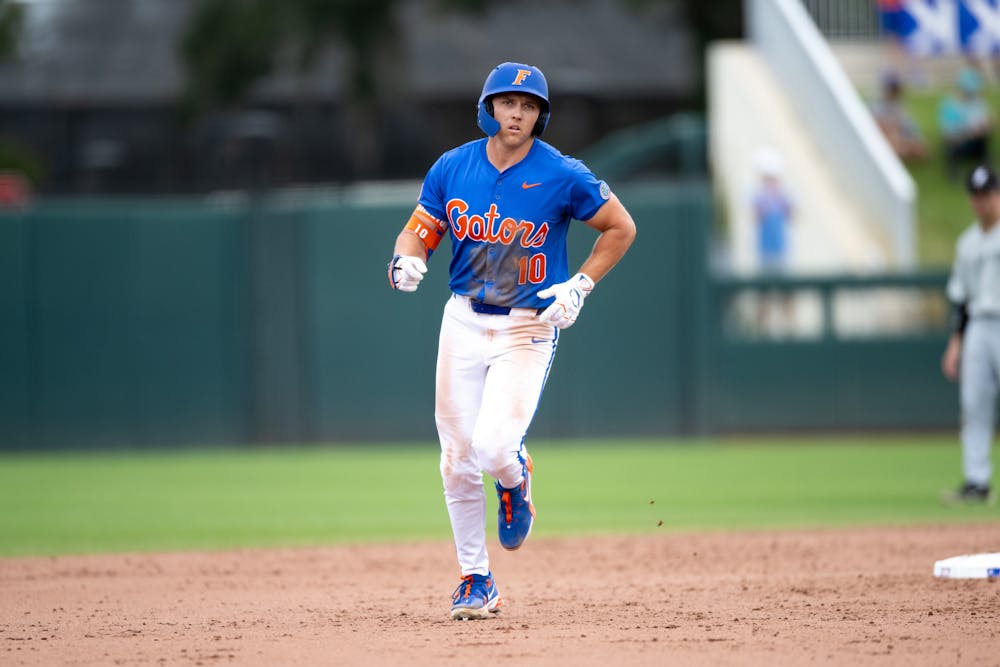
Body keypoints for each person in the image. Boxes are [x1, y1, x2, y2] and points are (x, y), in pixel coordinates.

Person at [387, 62, 636, 620]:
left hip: (527, 324)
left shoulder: (562, 173)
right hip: (463, 319)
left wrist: (581, 284)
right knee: (456, 457)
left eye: (528, 105)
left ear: (540, 114)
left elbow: (621, 227)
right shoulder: (454, 166)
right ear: (490, 107)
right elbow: (422, 227)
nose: (517, 113)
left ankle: (514, 478)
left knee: (494, 448)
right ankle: (476, 578)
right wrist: (406, 255)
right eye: (508, 102)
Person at [940, 164, 1000, 505]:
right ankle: (977, 482)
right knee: (974, 403)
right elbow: (960, 297)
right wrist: (955, 343)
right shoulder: (967, 243)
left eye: (987, 194)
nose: (982, 202)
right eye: (976, 196)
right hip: (978, 324)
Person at [939, 67, 993, 180]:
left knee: (984, 141)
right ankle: (953, 172)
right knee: (953, 144)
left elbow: (988, 121)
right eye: (970, 90)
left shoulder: (978, 102)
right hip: (958, 142)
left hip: (976, 141)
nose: (972, 93)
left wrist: (984, 127)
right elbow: (948, 132)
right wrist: (967, 132)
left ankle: (987, 171)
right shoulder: (950, 104)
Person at [870, 72, 928, 162]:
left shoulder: (899, 106)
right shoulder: (876, 106)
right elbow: (879, 124)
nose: (894, 93)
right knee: (894, 138)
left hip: (901, 135)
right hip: (889, 135)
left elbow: (909, 126)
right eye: (892, 90)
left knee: (920, 150)